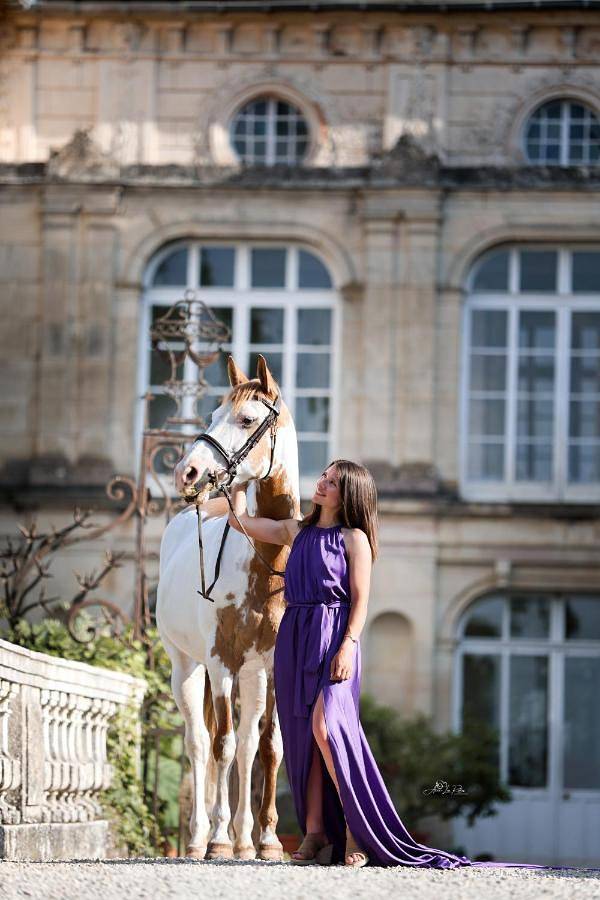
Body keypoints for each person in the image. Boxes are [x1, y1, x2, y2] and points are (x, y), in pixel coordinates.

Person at [225, 459, 561, 871]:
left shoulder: (355, 540)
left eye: (333, 482)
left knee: (327, 729)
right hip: (295, 636)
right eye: (324, 477)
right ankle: (314, 832)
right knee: (302, 739)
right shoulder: (296, 531)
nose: (322, 484)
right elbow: (240, 522)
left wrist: (348, 646)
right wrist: (238, 480)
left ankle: (355, 829)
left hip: (334, 637)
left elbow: (361, 601)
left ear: (349, 494)